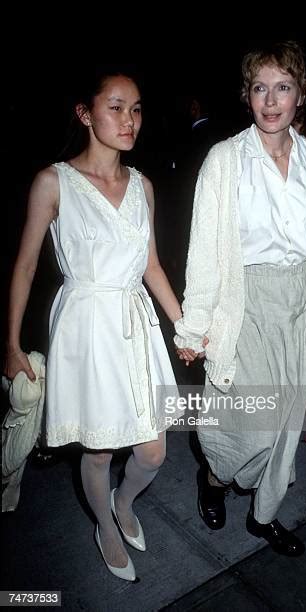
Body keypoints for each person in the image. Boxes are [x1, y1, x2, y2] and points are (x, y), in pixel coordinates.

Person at [174, 41, 306, 556]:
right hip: (247, 303)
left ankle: (264, 516)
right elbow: (204, 251)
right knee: (249, 423)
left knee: (285, 425)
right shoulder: (225, 160)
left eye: (283, 87)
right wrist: (196, 326)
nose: (272, 100)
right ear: (247, 96)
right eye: (261, 88)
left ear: (301, 95)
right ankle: (213, 476)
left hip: (303, 300)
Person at [4, 68, 183, 581]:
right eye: (116, 107)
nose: (130, 120)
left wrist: (185, 328)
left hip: (135, 321)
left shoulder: (143, 186)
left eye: (137, 108)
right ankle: (105, 523)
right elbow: (25, 265)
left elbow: (150, 265)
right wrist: (11, 344)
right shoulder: (53, 181)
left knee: (152, 449)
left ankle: (124, 505)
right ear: (85, 114)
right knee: (100, 448)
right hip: (85, 326)